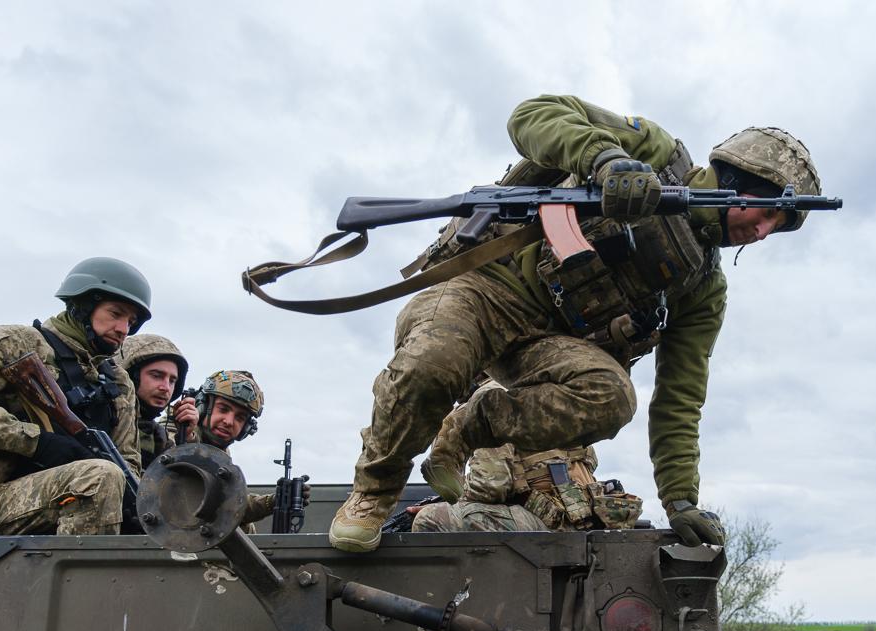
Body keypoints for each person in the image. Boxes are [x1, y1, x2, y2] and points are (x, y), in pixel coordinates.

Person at [329, 94, 823, 552]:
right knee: (432, 366)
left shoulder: (702, 287)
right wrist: (606, 160)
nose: (762, 233)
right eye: (768, 213)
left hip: (547, 344)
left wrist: (680, 500)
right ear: (738, 178)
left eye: (776, 228)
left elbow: (680, 398)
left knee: (612, 395)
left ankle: (468, 426)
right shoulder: (656, 153)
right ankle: (374, 491)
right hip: (485, 289)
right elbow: (533, 115)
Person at [0, 257, 150, 536]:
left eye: (131, 322)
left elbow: (127, 462)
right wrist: (36, 442)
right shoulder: (15, 344)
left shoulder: (118, 382)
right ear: (83, 306)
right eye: (115, 314)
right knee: (97, 478)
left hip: (62, 500)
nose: (123, 329)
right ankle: (81, 580)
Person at [409, 382, 642, 534]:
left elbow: (490, 486)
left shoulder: (490, 398)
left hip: (549, 522)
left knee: (429, 520)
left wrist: (450, 503)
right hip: (588, 516)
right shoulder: (551, 387)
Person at [176, 370, 303, 528]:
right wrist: (189, 437)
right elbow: (212, 499)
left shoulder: (219, 453)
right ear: (202, 406)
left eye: (240, 418)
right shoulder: (177, 429)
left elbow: (229, 502)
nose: (229, 421)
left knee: (245, 528)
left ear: (246, 428)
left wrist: (277, 500)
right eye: (223, 409)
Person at [116, 334, 189, 470]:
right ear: (130, 376)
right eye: (156, 376)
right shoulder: (103, 417)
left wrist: (185, 437)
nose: (165, 387)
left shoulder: (159, 438)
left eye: (172, 381)